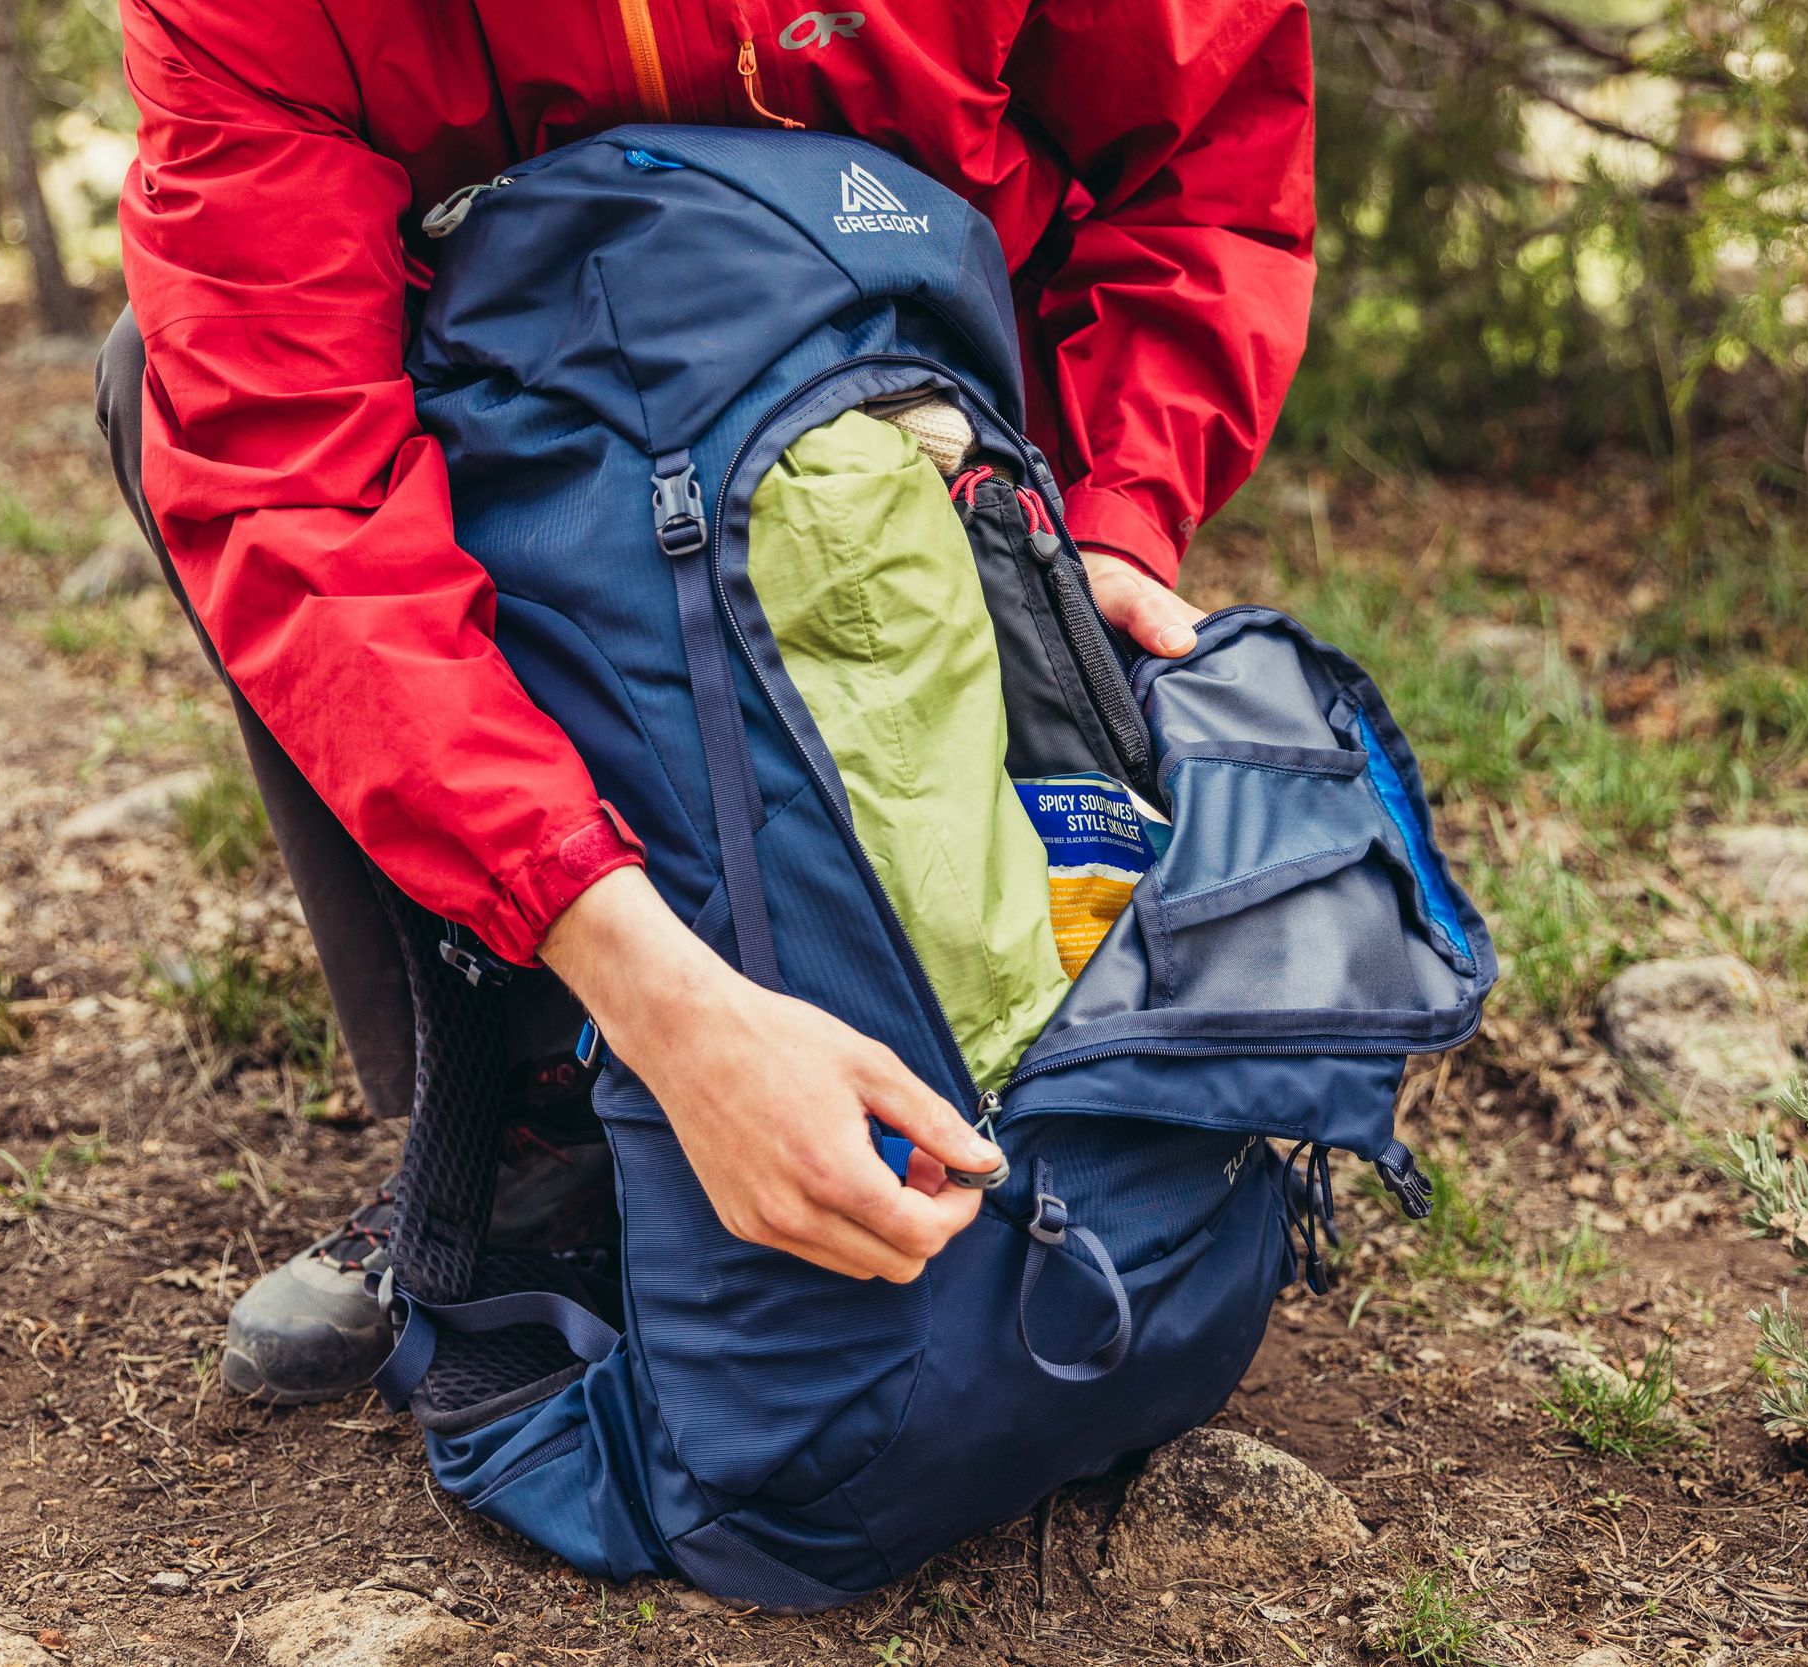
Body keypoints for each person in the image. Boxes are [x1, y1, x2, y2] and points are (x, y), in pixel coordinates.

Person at [98, 0, 1317, 1404]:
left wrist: (1107, 513)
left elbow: (1212, 144)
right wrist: (646, 987)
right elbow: (296, 479)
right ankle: (535, 1104)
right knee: (160, 373)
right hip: (538, 416)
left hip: (939, 402)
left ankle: (1058, 1059)